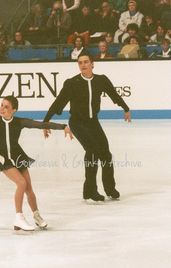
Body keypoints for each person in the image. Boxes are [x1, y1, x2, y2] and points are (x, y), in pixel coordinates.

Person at [0, 96, 73, 231]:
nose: (2, 109)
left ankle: (36, 215)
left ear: (14, 110)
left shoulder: (19, 122)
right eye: (1, 105)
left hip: (18, 156)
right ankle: (19, 217)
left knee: (29, 189)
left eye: (6, 107)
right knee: (21, 183)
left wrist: (62, 126)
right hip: (2, 157)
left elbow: (39, 125)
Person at [43, 52, 131, 202]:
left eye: (85, 62)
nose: (83, 65)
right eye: (80, 63)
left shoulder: (101, 80)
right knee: (92, 151)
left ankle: (110, 188)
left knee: (106, 154)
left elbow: (113, 94)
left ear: (92, 64)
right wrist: (46, 122)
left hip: (93, 122)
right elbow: (59, 102)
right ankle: (90, 190)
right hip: (77, 122)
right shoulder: (72, 83)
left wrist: (126, 108)